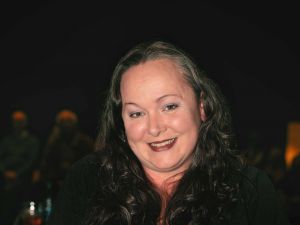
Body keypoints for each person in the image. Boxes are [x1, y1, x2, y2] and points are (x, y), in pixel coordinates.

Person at [47, 40, 290, 225]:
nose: (154, 128)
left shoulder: (250, 189)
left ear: (202, 107)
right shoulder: (87, 179)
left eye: (169, 106)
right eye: (136, 113)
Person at [38, 109, 95, 200]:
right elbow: (47, 164)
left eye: (69, 121)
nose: (66, 125)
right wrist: (57, 179)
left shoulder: (85, 142)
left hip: (80, 184)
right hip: (57, 184)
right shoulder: (54, 143)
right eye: (63, 122)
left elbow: (90, 166)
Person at [0, 110, 40, 225]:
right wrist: (4, 172)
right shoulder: (6, 141)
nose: (17, 124)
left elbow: (31, 161)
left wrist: (17, 173)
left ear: (25, 122)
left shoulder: (32, 141)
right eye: (15, 121)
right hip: (4, 179)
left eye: (20, 121)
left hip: (23, 179)